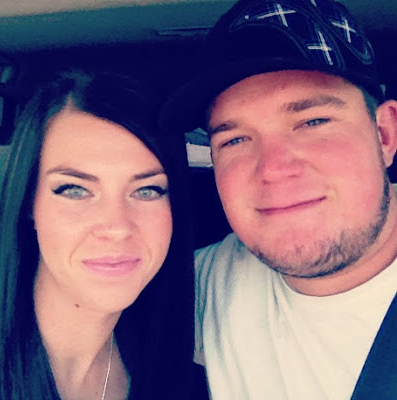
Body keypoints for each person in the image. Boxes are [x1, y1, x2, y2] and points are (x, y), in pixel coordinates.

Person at [160, 0, 397, 398]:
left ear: (385, 135)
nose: (273, 168)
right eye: (235, 140)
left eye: (313, 121)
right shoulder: (205, 284)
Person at [0, 70, 208, 400]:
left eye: (147, 190)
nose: (117, 227)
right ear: (28, 202)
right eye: (75, 190)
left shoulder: (181, 375)